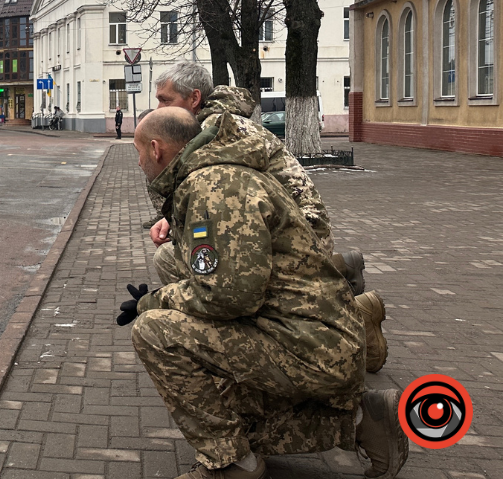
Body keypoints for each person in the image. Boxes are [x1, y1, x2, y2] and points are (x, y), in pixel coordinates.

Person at [122, 108, 407, 479]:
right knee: (232, 416)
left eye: (138, 151)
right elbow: (228, 285)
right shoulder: (215, 178)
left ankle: (231, 464)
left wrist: (154, 301)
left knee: (155, 331)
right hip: (309, 337)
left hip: (309, 346)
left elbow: (229, 297)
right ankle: (361, 422)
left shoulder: (214, 188)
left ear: (157, 149)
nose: (140, 161)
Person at [148, 61, 387, 373]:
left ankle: (343, 322)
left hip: (301, 233)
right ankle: (343, 294)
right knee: (194, 265)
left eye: (166, 101)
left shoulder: (217, 132)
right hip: (281, 228)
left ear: (193, 99)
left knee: (223, 283)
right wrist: (175, 219)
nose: (159, 108)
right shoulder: (213, 126)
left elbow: (221, 199)